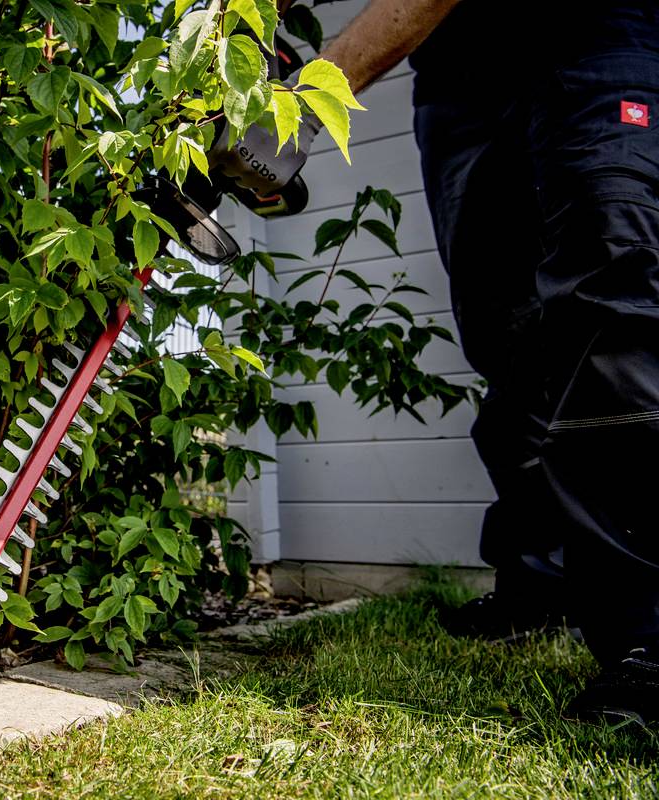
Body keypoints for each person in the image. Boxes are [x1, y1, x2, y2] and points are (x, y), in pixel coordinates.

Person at [182, 0, 659, 727]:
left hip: (597, 31)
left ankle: (648, 637)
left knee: (608, 302)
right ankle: (539, 585)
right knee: (504, 333)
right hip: (461, 78)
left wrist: (303, 102)